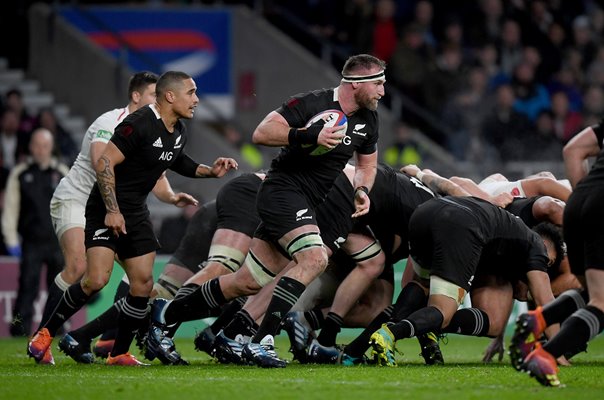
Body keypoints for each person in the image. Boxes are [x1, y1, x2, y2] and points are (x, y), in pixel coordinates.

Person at [149, 54, 386, 368]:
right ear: (356, 84)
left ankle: (164, 316)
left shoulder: (368, 119)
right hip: (282, 191)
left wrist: (361, 190)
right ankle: (263, 340)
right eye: (378, 83)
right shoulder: (310, 103)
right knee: (315, 257)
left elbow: (367, 165)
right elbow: (261, 133)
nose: (383, 91)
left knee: (247, 281)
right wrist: (308, 135)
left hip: (306, 201)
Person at [26, 70, 238, 366]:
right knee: (96, 279)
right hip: (104, 208)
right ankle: (45, 333)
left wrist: (209, 171)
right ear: (169, 96)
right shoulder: (138, 124)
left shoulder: (177, 130)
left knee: (142, 284)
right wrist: (112, 210)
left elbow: (177, 160)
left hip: (136, 212)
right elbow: (104, 162)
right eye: (191, 93)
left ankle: (118, 352)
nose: (197, 100)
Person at [367, 196, 560, 367]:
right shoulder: (535, 244)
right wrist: (559, 350)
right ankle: (390, 334)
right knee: (443, 312)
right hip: (459, 225)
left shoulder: (507, 236)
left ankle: (356, 351)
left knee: (421, 287)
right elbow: (546, 301)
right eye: (546, 262)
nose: (543, 267)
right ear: (544, 246)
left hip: (425, 213)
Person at [510, 120, 604, 387]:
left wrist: (586, 201)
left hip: (577, 204)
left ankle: (538, 319)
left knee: (592, 293)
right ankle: (546, 355)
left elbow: (572, 150)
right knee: (602, 302)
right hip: (598, 210)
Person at [1, 128, 69, 337]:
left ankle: (56, 327)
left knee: (59, 288)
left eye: (45, 146)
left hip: (57, 241)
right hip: (31, 242)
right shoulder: (20, 173)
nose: (40, 150)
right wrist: (11, 239)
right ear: (31, 147)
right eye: (37, 145)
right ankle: (19, 328)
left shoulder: (62, 172)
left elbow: (72, 206)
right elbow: (10, 209)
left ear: (51, 148)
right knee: (26, 289)